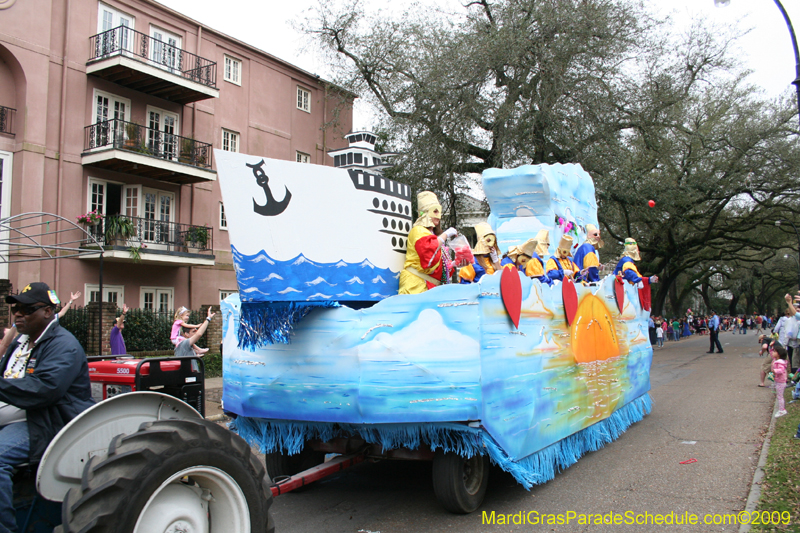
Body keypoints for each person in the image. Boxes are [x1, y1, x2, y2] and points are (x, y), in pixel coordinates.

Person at [0, 282, 94, 531]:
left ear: (48, 312)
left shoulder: (63, 345)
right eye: (16, 308)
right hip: (19, 417)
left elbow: (44, 390)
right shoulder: (22, 342)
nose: (18, 313)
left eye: (27, 309)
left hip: (45, 422)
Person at [399, 191, 457, 294]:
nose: (438, 215)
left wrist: (455, 263)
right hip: (416, 286)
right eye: (435, 211)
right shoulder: (418, 231)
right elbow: (428, 256)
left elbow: (439, 268)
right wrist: (446, 234)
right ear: (425, 212)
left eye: (439, 211)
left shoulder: (433, 236)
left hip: (431, 287)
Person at [771, 342, 789, 417]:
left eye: (775, 351)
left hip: (781, 381)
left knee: (780, 396)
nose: (773, 352)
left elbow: (781, 370)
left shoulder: (780, 362)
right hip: (778, 380)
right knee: (779, 395)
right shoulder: (776, 360)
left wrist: (775, 371)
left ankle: (782, 410)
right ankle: (781, 409)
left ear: (779, 354)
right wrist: (771, 346)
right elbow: (771, 353)